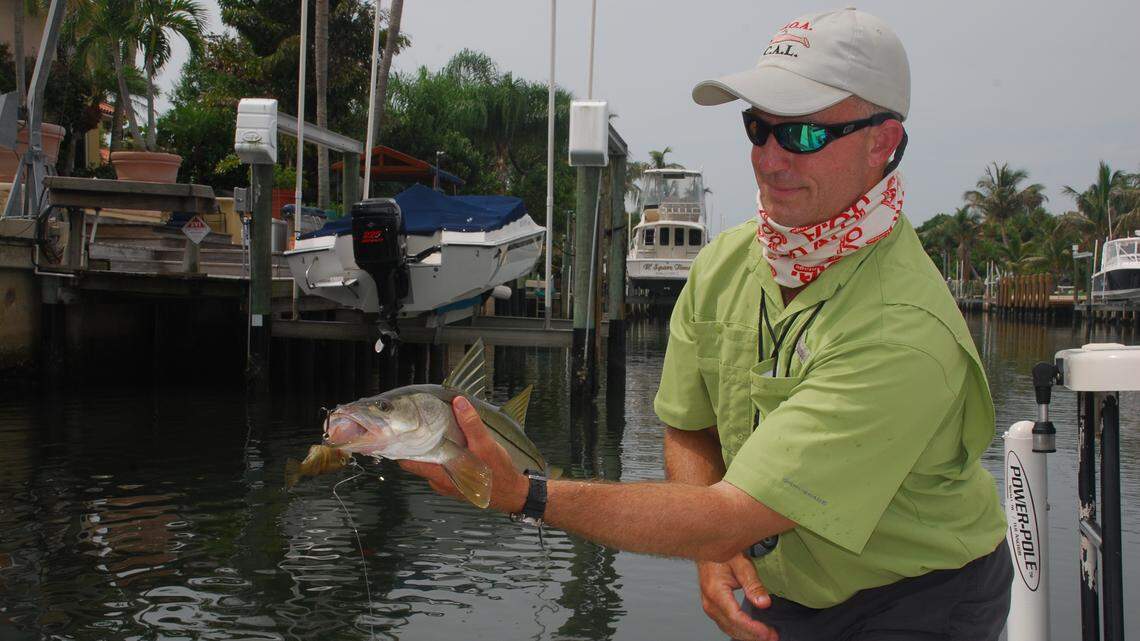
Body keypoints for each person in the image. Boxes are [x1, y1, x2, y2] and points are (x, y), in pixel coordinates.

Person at [400, 8, 1012, 641]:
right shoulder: (722, 264)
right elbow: (690, 429)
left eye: (801, 135)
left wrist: (527, 494)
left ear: (882, 142)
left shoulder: (902, 327)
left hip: (919, 595)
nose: (769, 159)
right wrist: (715, 552)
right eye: (757, 128)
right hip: (780, 585)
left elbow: (732, 513)